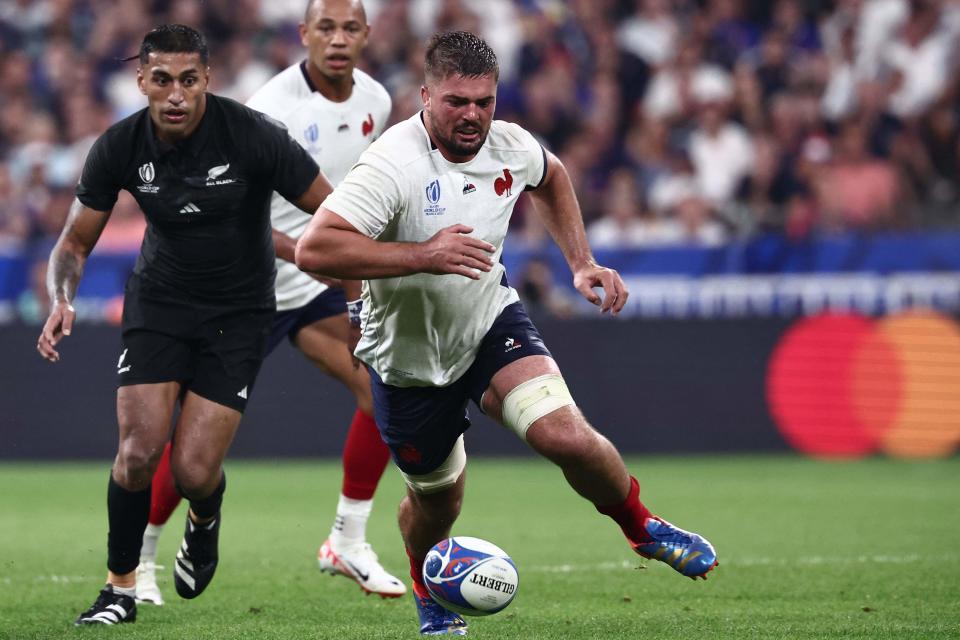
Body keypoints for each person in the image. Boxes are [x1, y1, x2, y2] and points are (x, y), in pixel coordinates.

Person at [295, 31, 719, 636]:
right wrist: (424, 255)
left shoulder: (509, 144)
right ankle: (426, 586)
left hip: (489, 321)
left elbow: (551, 177)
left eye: (484, 101)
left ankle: (642, 526)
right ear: (426, 96)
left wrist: (580, 262)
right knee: (438, 502)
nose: (473, 116)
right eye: (457, 102)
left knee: (568, 437)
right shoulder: (393, 163)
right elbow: (316, 249)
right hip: (408, 360)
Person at [37, 24, 335, 626]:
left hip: (241, 313)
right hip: (161, 304)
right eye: (163, 81)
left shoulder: (253, 137)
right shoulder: (118, 146)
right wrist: (61, 298)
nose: (176, 94)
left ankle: (204, 517)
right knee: (137, 452)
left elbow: (335, 210)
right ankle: (119, 588)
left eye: (189, 81)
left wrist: (368, 273)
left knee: (194, 471)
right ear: (142, 81)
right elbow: (72, 244)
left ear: (208, 81)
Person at [133, 0, 405, 607]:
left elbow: (350, 197)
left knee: (382, 384)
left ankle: (348, 541)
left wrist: (354, 260)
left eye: (350, 28)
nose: (337, 39)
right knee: (192, 448)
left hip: (312, 283)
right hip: (248, 285)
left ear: (367, 36)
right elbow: (239, 215)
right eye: (325, 28)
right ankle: (141, 558)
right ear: (303, 34)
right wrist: (325, 258)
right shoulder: (269, 110)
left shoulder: (378, 102)